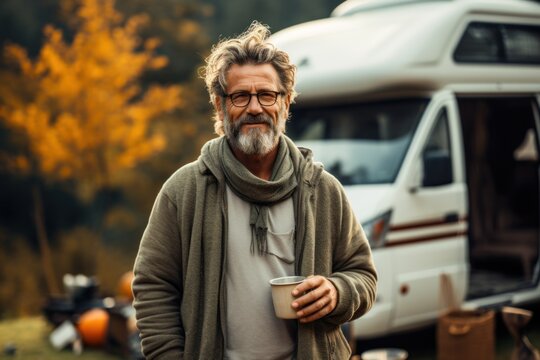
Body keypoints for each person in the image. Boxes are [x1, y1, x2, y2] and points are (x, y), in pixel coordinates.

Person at [132, 21, 377, 360]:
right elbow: (153, 287)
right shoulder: (184, 191)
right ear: (220, 106)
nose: (254, 108)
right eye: (240, 96)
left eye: (266, 94)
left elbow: (363, 276)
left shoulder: (322, 191)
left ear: (286, 103)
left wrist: (337, 291)